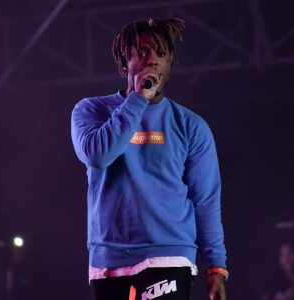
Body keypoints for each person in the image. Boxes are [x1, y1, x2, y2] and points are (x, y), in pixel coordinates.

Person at [71, 17, 228, 300]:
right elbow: (98, 155)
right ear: (123, 65)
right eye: (142, 53)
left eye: (161, 53)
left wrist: (216, 266)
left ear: (170, 64)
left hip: (168, 256)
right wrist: (137, 100)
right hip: (109, 262)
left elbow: (205, 200)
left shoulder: (191, 126)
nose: (152, 60)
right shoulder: (91, 111)